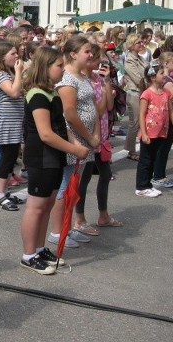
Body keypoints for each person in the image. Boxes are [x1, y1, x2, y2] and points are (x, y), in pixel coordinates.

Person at [20, 47, 90, 274]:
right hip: (41, 157)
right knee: (36, 207)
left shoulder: (51, 92)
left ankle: (39, 249)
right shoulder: (38, 95)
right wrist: (74, 150)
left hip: (54, 157)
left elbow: (61, 125)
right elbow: (46, 134)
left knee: (48, 204)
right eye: (59, 66)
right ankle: (28, 254)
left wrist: (74, 144)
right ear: (45, 67)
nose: (62, 70)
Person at [47, 35, 99, 249]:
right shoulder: (67, 79)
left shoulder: (83, 76)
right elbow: (69, 113)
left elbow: (93, 107)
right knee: (65, 187)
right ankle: (57, 232)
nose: (91, 55)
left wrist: (95, 135)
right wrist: (88, 138)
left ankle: (68, 228)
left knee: (74, 187)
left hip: (86, 141)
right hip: (75, 140)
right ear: (73, 54)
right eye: (86, 51)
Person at [73, 44, 121, 235]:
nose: (99, 64)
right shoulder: (84, 82)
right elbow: (98, 110)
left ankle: (103, 215)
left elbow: (109, 106)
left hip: (101, 135)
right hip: (89, 135)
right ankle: (80, 219)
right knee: (83, 180)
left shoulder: (99, 80)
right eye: (95, 60)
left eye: (101, 61)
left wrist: (107, 81)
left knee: (105, 173)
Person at [0, 40, 26, 211]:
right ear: (2, 57)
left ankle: (4, 191)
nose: (17, 56)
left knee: (11, 158)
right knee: (6, 158)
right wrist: (19, 72)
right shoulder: (1, 75)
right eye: (12, 53)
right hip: (6, 121)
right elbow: (14, 92)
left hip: (15, 120)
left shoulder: (9, 73)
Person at [135, 61, 173, 197]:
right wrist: (144, 133)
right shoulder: (147, 94)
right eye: (162, 73)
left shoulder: (166, 93)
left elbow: (171, 112)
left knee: (152, 159)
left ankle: (148, 185)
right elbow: (141, 114)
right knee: (145, 161)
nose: (165, 75)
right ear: (153, 77)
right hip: (149, 133)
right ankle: (141, 186)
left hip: (160, 133)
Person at [151, 51, 173, 188]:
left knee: (163, 147)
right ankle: (158, 176)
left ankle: (158, 174)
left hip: (168, 115)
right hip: (167, 117)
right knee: (163, 148)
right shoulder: (167, 81)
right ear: (166, 64)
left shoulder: (169, 79)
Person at [123, 33, 148, 161]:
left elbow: (150, 71)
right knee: (135, 122)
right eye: (138, 42)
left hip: (142, 92)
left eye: (141, 42)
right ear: (132, 45)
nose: (141, 44)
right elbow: (139, 79)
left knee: (140, 121)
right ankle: (130, 150)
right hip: (134, 93)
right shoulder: (129, 60)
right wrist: (151, 81)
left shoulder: (140, 58)